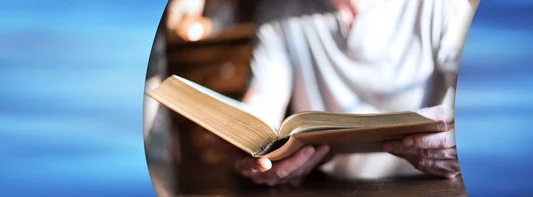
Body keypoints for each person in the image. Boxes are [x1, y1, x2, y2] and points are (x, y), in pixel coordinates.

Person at [204, 0, 478, 187]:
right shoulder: (279, 9)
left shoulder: (441, 5)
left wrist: (469, 143)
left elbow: (487, 100)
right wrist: (243, 141)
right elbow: (263, 101)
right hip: (327, 187)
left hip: (429, 185)